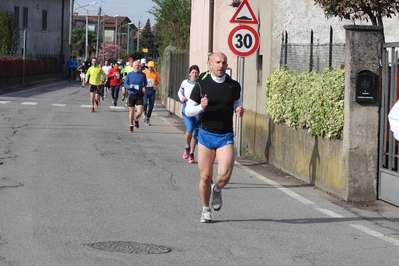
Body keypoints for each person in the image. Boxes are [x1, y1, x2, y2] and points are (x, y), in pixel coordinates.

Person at [185, 52, 244, 223]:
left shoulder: (234, 85)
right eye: (217, 62)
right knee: (205, 176)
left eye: (224, 63)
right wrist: (201, 108)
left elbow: (237, 101)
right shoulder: (201, 86)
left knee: (224, 175)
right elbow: (189, 110)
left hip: (225, 135)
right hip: (205, 135)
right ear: (209, 64)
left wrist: (239, 109)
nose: (221, 65)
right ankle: (205, 209)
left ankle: (217, 190)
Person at [178, 65, 200, 164]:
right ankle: (187, 147)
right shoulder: (185, 82)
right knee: (189, 129)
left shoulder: (200, 84)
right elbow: (180, 91)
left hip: (197, 111)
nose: (194, 74)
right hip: (186, 110)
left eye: (196, 73)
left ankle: (191, 153)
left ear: (198, 74)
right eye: (193, 72)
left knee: (195, 134)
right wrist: (182, 97)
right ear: (189, 74)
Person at [124, 60, 147, 132]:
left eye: (138, 66)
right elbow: (125, 84)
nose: (137, 67)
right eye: (136, 66)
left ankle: (136, 119)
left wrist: (144, 87)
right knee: (131, 112)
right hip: (132, 94)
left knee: (140, 111)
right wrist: (129, 86)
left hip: (139, 94)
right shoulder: (129, 74)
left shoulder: (143, 74)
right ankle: (131, 126)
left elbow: (145, 83)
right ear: (133, 66)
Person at [142, 61, 161, 126]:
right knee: (144, 103)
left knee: (151, 105)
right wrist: (142, 87)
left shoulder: (156, 74)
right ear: (148, 66)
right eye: (150, 67)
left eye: (152, 67)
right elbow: (141, 80)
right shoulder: (144, 72)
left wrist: (156, 86)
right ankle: (144, 112)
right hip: (146, 89)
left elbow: (158, 82)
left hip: (152, 90)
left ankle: (148, 117)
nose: (151, 68)